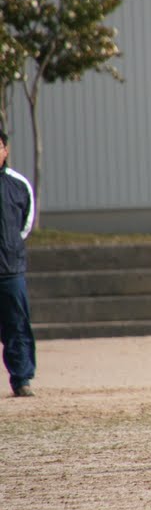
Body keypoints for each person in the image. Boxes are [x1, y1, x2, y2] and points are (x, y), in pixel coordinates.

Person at [0, 129, 36, 398]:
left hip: (11, 269)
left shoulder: (18, 185)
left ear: (5, 150)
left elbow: (25, 225)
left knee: (17, 325)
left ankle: (22, 378)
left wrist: (9, 246)